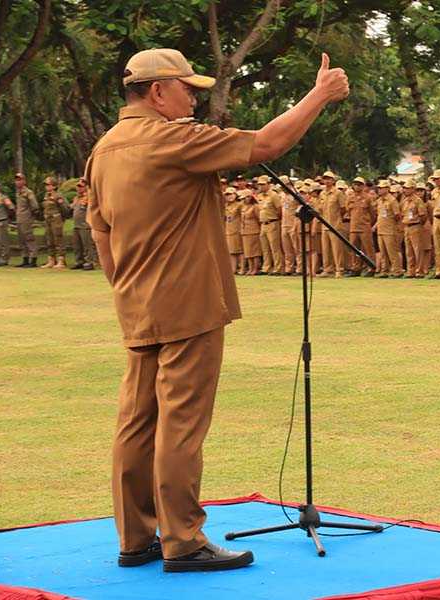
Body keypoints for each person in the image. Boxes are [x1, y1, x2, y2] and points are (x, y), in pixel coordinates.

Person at [84, 48, 349, 571]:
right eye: (187, 88)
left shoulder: (105, 149)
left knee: (137, 421)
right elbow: (267, 143)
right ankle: (183, 538)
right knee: (181, 422)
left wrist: (128, 288)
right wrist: (319, 95)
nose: (194, 98)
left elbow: (100, 233)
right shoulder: (170, 139)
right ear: (158, 92)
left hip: (138, 302)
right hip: (187, 303)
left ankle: (135, 538)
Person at [319, 171, 348, 277]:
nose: (327, 181)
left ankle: (339, 270)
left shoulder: (338, 193)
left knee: (337, 249)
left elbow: (343, 208)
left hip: (335, 225)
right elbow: (320, 209)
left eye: (329, 179)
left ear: (333, 180)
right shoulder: (322, 193)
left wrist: (337, 218)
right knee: (326, 249)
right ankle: (327, 269)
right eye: (325, 178)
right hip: (324, 225)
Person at [373, 181, 403, 277]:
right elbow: (380, 215)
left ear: (387, 189)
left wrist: (395, 226)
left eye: (381, 188)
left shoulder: (392, 200)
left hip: (390, 229)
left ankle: (397, 270)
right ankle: (384, 270)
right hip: (381, 229)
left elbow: (397, 215)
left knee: (392, 251)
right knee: (383, 252)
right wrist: (376, 226)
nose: (379, 190)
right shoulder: (379, 201)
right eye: (379, 188)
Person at [347, 176, 375, 276]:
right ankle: (356, 267)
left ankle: (370, 267)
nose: (357, 186)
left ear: (363, 186)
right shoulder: (350, 198)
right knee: (353, 248)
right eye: (355, 184)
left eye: (359, 184)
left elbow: (372, 213)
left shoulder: (368, 198)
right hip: (353, 227)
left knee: (368, 248)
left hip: (364, 227)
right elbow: (348, 211)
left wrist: (368, 223)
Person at [401, 180, 427, 278]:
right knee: (409, 250)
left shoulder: (417, 200)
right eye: (404, 188)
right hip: (407, 226)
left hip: (415, 226)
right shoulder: (404, 201)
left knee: (418, 250)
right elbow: (403, 214)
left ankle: (419, 270)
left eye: (407, 188)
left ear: (413, 189)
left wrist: (418, 224)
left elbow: (423, 215)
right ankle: (410, 270)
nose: (405, 190)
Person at [40, 177, 68, 269]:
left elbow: (65, 208)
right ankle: (51, 260)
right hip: (47, 219)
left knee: (58, 239)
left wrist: (61, 218)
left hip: (56, 219)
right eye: (46, 185)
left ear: (54, 186)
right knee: (49, 239)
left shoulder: (58, 195)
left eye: (48, 185)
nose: (46, 187)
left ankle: (61, 260)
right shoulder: (46, 196)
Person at [13, 173, 38, 268]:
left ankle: (33, 259)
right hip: (19, 219)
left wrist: (31, 216)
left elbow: (34, 206)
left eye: (20, 179)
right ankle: (25, 259)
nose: (18, 182)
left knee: (29, 239)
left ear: (24, 181)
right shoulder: (18, 192)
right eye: (16, 180)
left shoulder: (28, 192)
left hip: (26, 218)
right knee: (21, 240)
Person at [70, 179, 96, 270]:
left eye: (81, 186)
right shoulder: (76, 198)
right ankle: (79, 261)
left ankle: (89, 262)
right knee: (77, 245)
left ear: (86, 187)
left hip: (85, 225)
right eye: (78, 186)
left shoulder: (90, 197)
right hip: (76, 225)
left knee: (87, 245)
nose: (79, 188)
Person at [239, 189, 262, 276]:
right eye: (244, 198)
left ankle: (255, 269)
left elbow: (258, 218)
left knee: (255, 251)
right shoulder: (243, 207)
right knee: (248, 252)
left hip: (254, 230)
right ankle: (250, 268)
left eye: (247, 197)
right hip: (245, 231)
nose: (246, 199)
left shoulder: (255, 206)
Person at [223, 187, 244, 275]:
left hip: (237, 230)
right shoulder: (225, 206)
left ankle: (242, 268)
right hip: (229, 230)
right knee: (231, 251)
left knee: (240, 251)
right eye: (227, 194)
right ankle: (233, 269)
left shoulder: (239, 205)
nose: (230, 196)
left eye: (231, 194)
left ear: (235, 195)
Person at [0, 181, 14, 266]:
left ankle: (4, 259)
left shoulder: (3, 198)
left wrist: (9, 217)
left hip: (1, 222)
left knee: (3, 242)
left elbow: (11, 208)